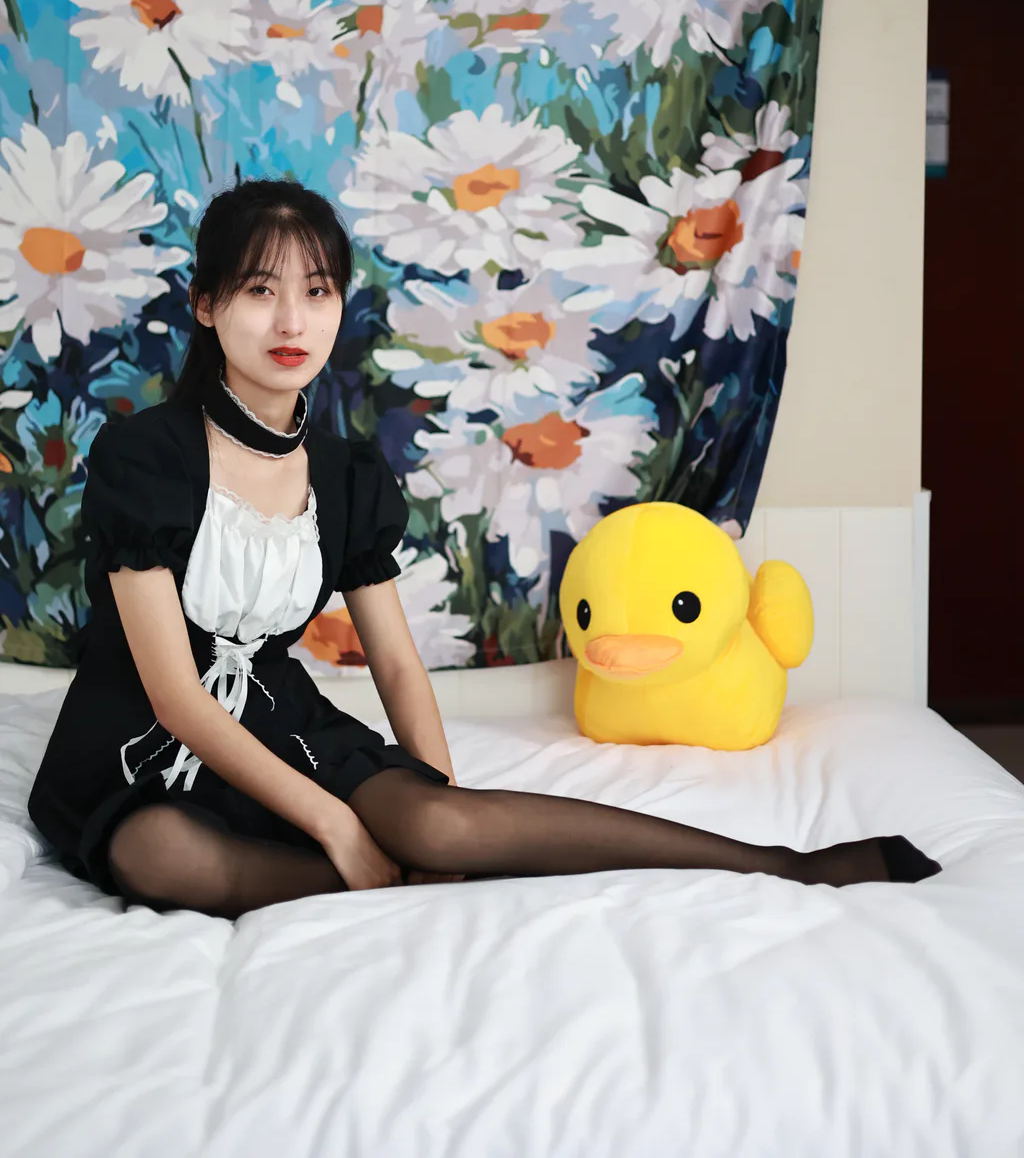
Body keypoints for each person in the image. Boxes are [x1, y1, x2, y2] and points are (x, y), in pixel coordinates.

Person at [28, 179, 941, 919]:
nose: (291, 323)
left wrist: (438, 805)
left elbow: (394, 661)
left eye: (317, 291)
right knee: (158, 853)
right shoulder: (147, 458)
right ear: (206, 304)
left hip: (281, 720)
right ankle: (375, 876)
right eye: (260, 291)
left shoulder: (345, 477)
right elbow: (177, 697)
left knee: (439, 825)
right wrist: (337, 826)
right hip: (142, 737)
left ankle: (781, 864)